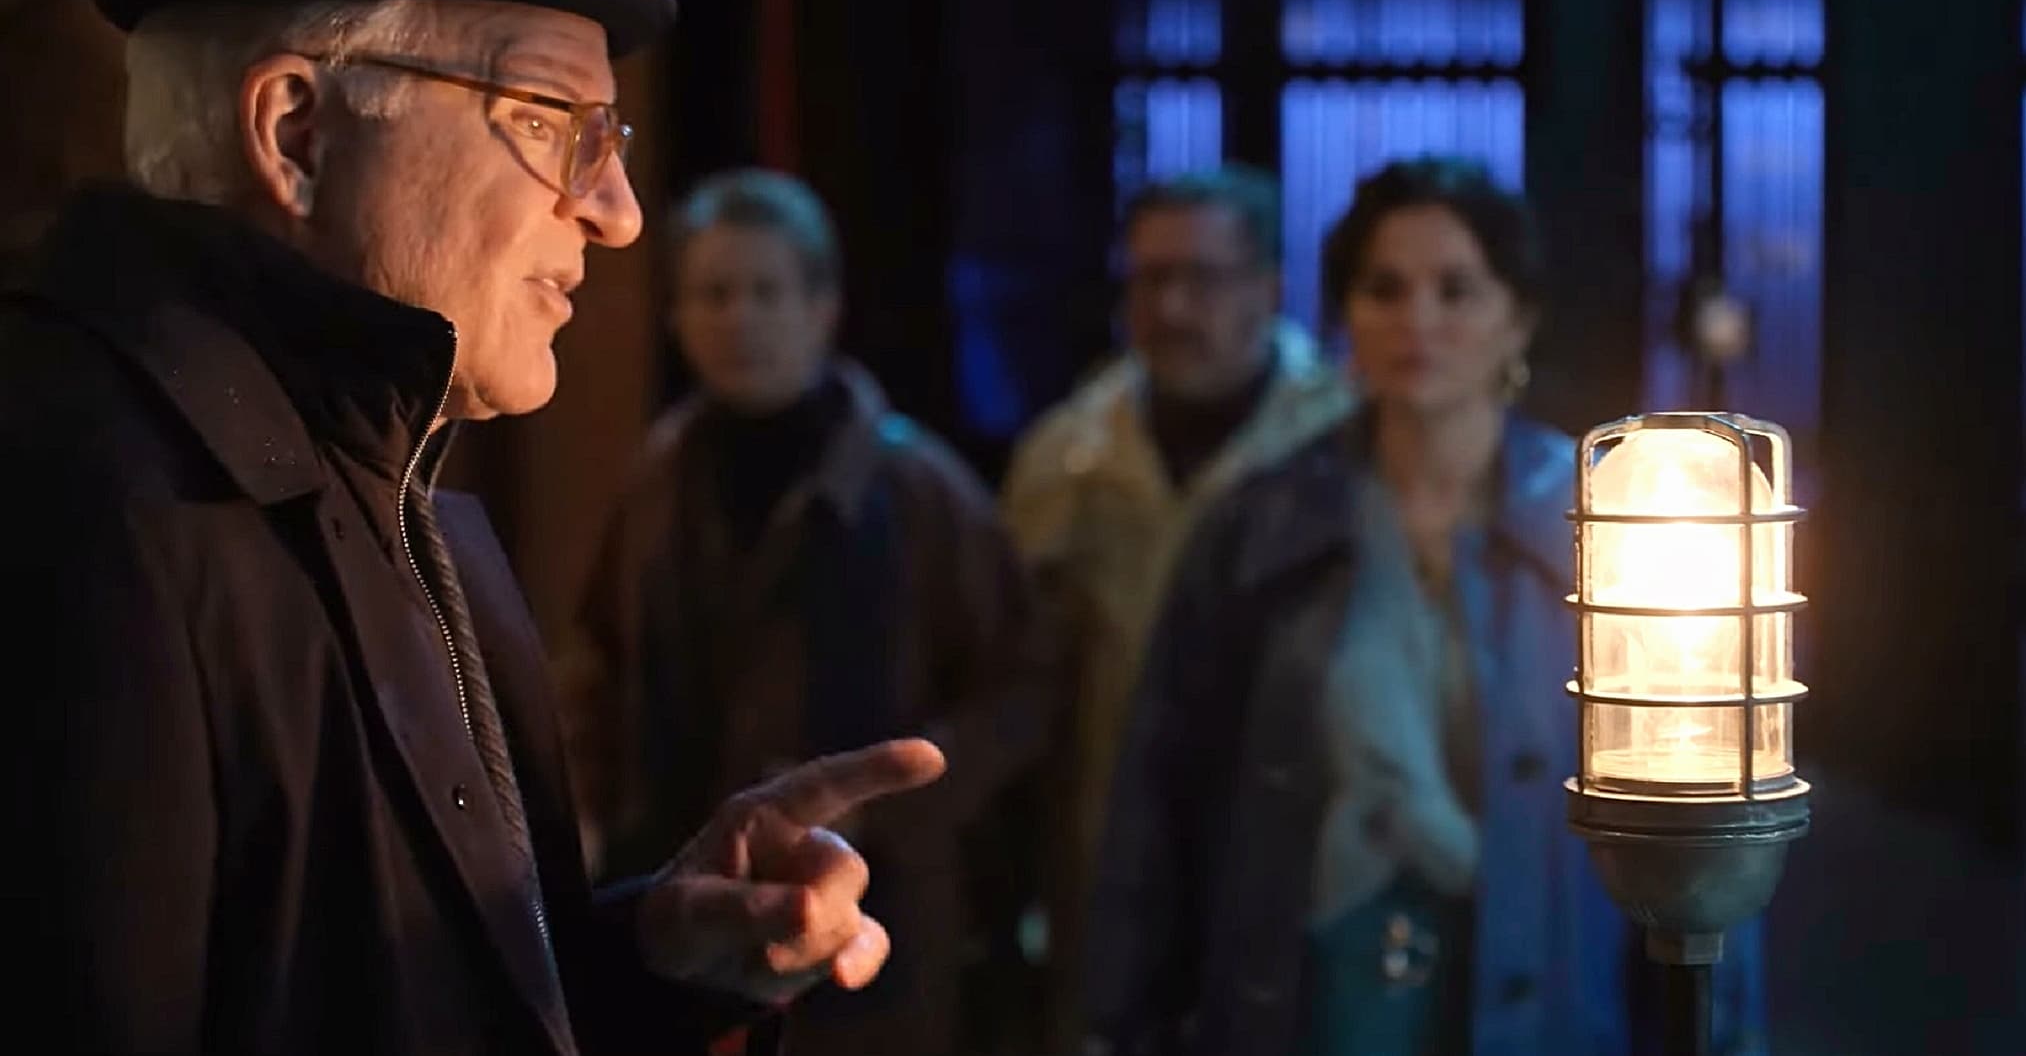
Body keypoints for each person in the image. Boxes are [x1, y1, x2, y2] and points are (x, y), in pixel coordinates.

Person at [0, 0, 948, 1054]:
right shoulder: (79, 499)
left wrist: (653, 963)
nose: (617, 210)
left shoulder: (392, 489)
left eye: (609, 137)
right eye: (549, 120)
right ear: (296, 131)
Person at [1083, 158, 1767, 1056]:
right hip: (1314, 1001)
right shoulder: (1260, 525)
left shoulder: (1612, 524)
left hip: (1548, 994)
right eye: (1384, 289)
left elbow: (1701, 811)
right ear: (1345, 314)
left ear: (1517, 316)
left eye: (1456, 290)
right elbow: (1160, 802)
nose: (1418, 319)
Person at [564, 168, 1053, 1055]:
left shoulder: (914, 486)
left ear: (823, 307)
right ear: (677, 315)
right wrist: (588, 816)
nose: (740, 319)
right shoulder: (657, 481)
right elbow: (597, 665)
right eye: (714, 294)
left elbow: (1018, 689)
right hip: (676, 893)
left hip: (873, 913)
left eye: (766, 292)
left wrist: (892, 809)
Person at [1000, 166, 1353, 1047]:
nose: (1172, 308)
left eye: (1204, 278)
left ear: (1268, 287)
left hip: (1297, 869)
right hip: (1103, 867)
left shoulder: (1341, 454)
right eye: (1150, 279)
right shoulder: (1067, 459)